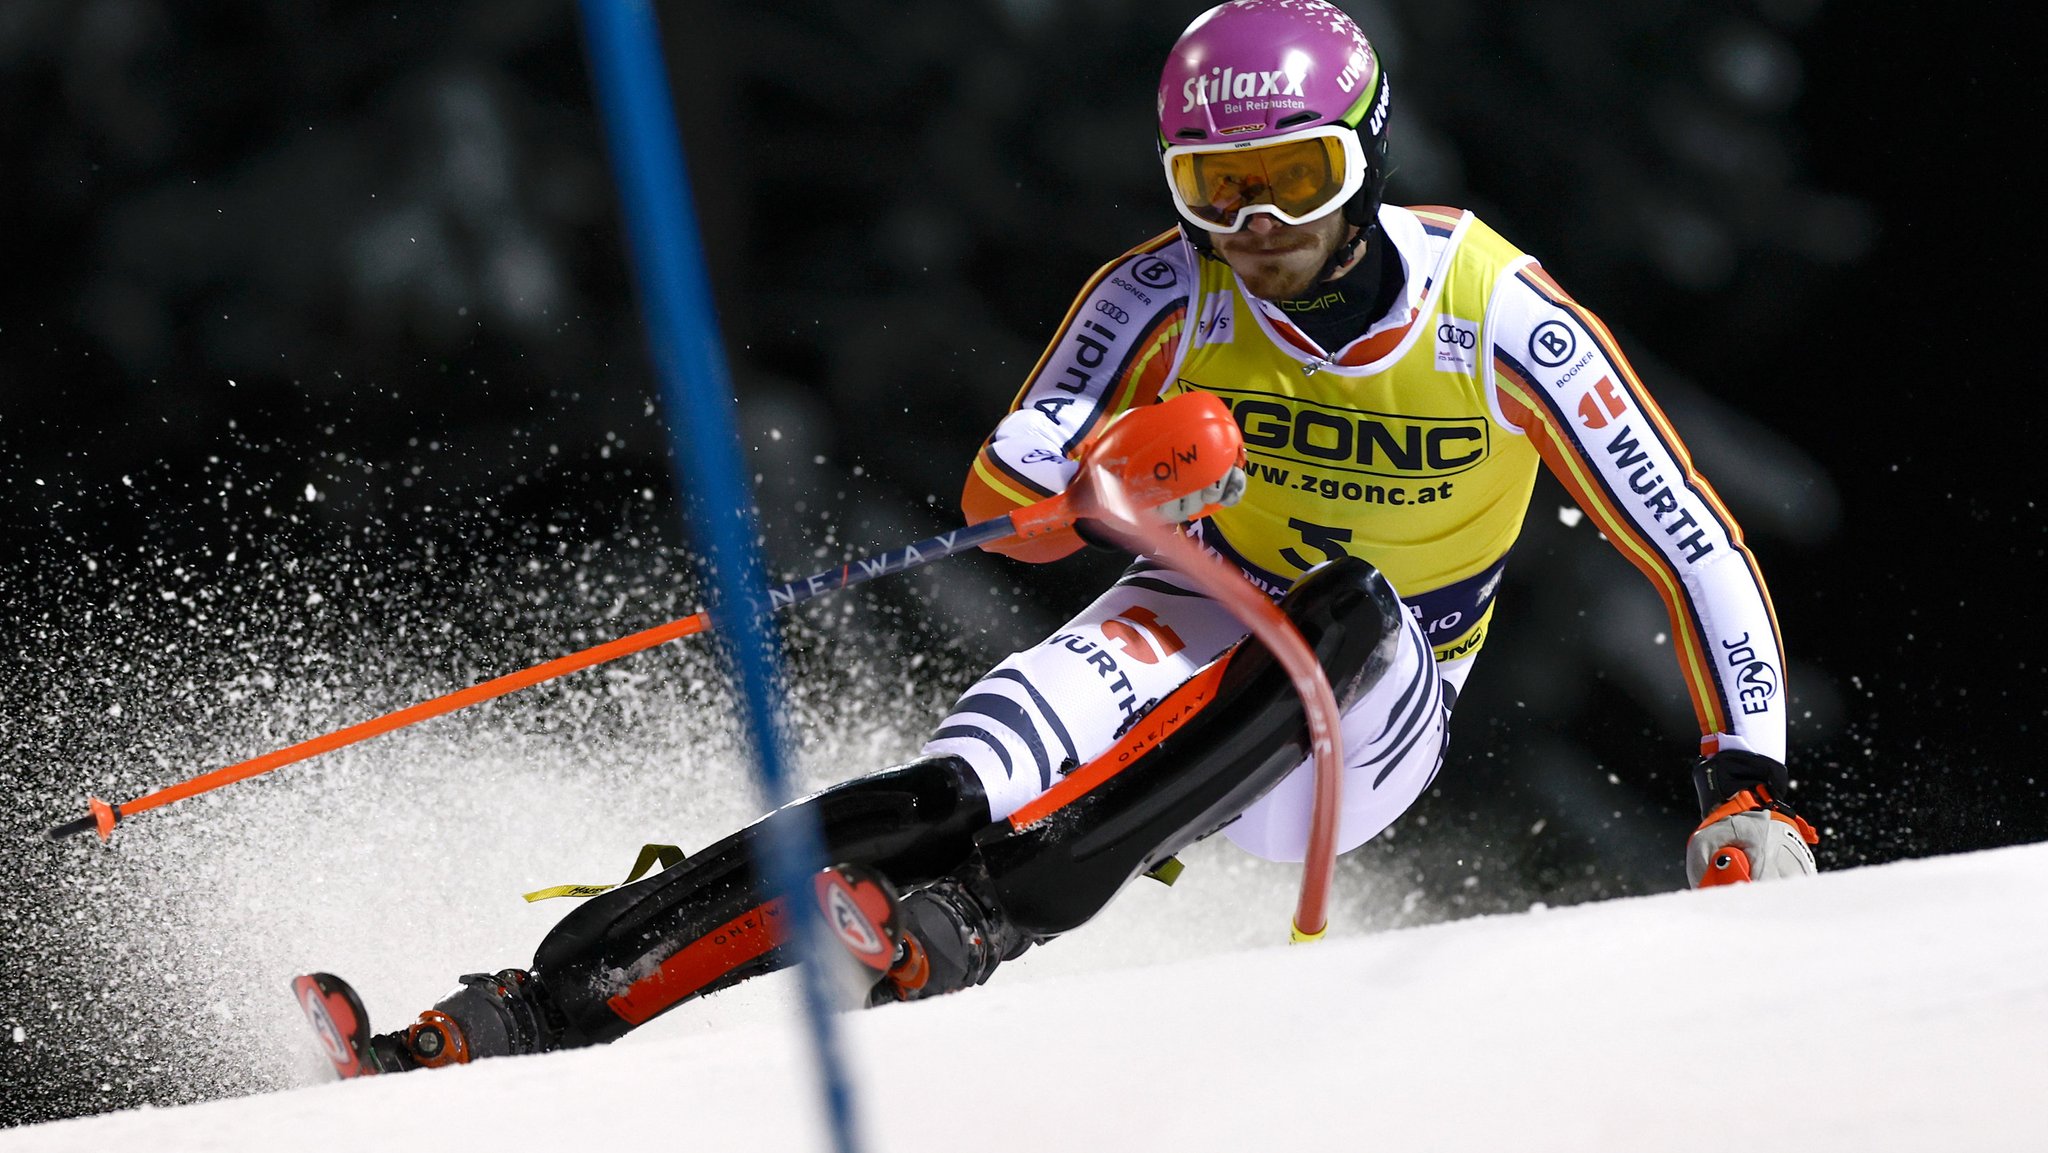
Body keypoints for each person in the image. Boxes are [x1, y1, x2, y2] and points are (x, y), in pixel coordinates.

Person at [296, 0, 1818, 1077]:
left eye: (1296, 181)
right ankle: (537, 1012)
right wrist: (1101, 479)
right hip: (1198, 609)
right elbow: (1001, 491)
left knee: (1346, 603)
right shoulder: (1162, 290)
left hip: (1371, 703)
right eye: (1218, 190)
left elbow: (1685, 539)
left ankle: (992, 920)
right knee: (947, 790)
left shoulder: (1497, 315)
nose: (1260, 227)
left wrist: (1746, 787)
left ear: (1362, 162)